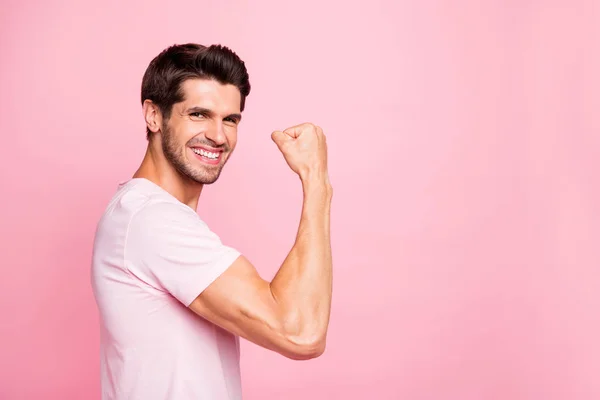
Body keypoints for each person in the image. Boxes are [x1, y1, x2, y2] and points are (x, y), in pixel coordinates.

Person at [90, 43, 333, 400]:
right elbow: (300, 332)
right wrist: (317, 182)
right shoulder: (151, 219)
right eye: (199, 114)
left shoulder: (150, 215)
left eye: (230, 119)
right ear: (154, 116)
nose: (218, 136)